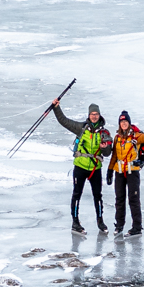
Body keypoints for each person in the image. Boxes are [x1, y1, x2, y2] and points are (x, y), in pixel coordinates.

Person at [52, 99, 109, 232]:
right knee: (77, 194)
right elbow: (64, 121)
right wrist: (56, 108)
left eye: (96, 114)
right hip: (80, 167)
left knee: (98, 196)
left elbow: (107, 153)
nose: (94, 116)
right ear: (89, 115)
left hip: (95, 169)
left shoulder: (104, 133)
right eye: (92, 114)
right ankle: (75, 222)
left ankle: (100, 221)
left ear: (99, 115)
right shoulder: (81, 128)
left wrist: (104, 148)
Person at [107, 108, 144, 235]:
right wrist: (110, 171)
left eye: (125, 122)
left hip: (132, 172)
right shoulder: (117, 138)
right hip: (120, 172)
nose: (123, 124)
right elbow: (114, 156)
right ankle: (119, 225)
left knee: (133, 199)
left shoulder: (136, 137)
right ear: (119, 124)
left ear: (129, 123)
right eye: (121, 122)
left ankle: (137, 227)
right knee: (119, 199)